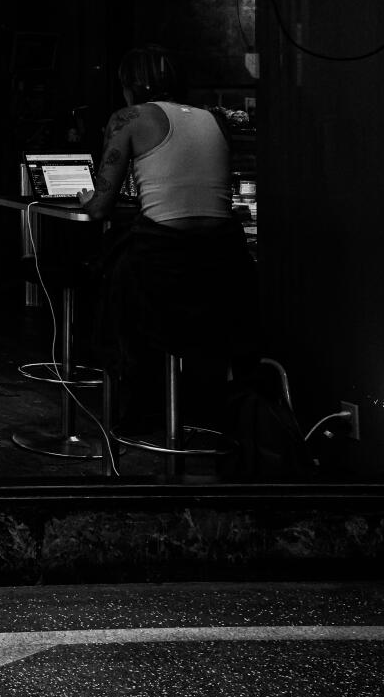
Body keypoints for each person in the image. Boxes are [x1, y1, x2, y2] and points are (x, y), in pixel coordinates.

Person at [77, 44, 254, 435]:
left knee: (110, 274)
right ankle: (193, 405)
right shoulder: (214, 119)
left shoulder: (129, 118)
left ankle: (137, 407)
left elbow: (100, 209)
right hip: (225, 263)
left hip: (162, 265)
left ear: (131, 85)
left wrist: (89, 197)